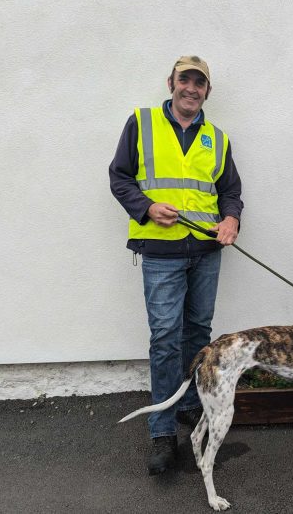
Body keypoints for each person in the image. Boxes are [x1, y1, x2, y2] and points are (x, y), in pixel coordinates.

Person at [109, 55, 243, 475]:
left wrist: (231, 218)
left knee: (198, 333)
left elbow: (230, 190)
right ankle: (162, 430)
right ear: (171, 82)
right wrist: (146, 208)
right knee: (165, 338)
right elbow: (119, 178)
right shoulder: (142, 123)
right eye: (185, 79)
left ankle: (188, 405)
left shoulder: (217, 138)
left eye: (199, 82)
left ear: (208, 90)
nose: (191, 88)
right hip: (162, 253)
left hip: (204, 251)